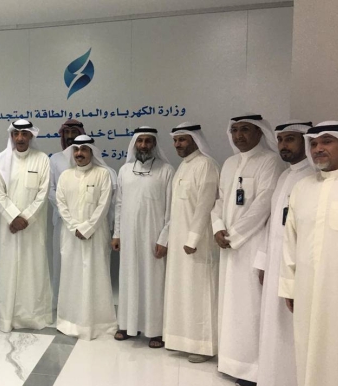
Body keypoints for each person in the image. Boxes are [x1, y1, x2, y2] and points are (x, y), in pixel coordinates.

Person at [211, 114, 286, 386]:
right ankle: (229, 360)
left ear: (259, 132)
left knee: (249, 305)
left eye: (245, 130)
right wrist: (218, 227)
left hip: (252, 244)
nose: (238, 135)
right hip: (227, 244)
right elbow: (219, 200)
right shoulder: (230, 163)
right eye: (234, 130)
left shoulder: (270, 161)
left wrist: (235, 235)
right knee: (230, 303)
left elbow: (264, 204)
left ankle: (251, 368)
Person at [280, 121, 338, 386]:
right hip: (306, 291)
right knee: (308, 354)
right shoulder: (302, 188)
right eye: (314, 143)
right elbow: (289, 241)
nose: (318, 149)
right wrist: (289, 286)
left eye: (327, 141)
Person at [253, 121, 314, 386]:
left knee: (294, 335)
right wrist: (264, 261)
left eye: (290, 139)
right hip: (276, 264)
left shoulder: (313, 177)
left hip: (298, 270)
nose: (284, 145)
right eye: (280, 140)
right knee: (275, 330)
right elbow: (272, 224)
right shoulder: (286, 176)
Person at [162, 122, 220, 362]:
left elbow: (206, 205)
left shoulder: (206, 165)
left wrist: (193, 238)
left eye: (182, 139)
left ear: (196, 140)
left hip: (197, 243)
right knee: (182, 291)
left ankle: (202, 345)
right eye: (175, 140)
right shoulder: (183, 167)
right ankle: (182, 340)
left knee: (198, 293)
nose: (178, 144)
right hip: (179, 241)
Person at [112, 126, 174, 348]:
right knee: (129, 279)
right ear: (134, 144)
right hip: (129, 237)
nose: (144, 145)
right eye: (140, 141)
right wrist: (117, 234)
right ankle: (128, 325)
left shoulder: (166, 170)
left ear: (154, 144)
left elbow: (171, 209)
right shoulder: (125, 170)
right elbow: (119, 205)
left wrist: (164, 239)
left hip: (153, 237)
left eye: (148, 141)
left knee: (153, 282)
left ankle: (155, 330)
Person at [55, 135, 117, 340]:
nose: (79, 153)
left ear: (91, 152)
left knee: (95, 276)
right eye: (76, 149)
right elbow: (61, 204)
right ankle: (69, 321)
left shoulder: (103, 174)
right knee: (71, 276)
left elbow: (104, 205)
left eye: (83, 149)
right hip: (71, 235)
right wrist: (75, 228)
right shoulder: (65, 176)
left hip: (96, 235)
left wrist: (88, 228)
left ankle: (98, 323)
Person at [0, 119, 52, 332]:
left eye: (24, 134)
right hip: (9, 227)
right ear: (11, 136)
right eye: (16, 134)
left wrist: (24, 218)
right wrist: (13, 217)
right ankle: (6, 318)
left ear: (30, 136)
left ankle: (33, 317)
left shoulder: (42, 159)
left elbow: (43, 193)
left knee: (33, 269)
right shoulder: (2, 161)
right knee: (8, 270)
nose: (20, 138)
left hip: (33, 227)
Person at [49, 119, 86, 305]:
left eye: (74, 133)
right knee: (62, 260)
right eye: (67, 133)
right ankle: (61, 302)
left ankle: (82, 302)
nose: (70, 137)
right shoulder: (55, 159)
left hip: (85, 222)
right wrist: (67, 210)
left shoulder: (88, 156)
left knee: (82, 262)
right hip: (62, 220)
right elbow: (50, 189)